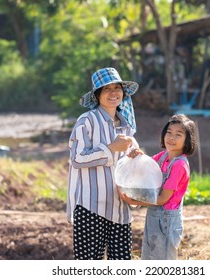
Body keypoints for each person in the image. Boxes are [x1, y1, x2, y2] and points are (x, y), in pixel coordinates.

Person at [66, 67, 139, 260]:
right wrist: (110, 148)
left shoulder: (126, 125)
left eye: (117, 88)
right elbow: (77, 158)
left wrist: (135, 156)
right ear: (97, 95)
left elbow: (129, 160)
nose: (113, 93)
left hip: (120, 206)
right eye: (107, 89)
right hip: (91, 207)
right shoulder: (86, 121)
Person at [119, 114, 197, 260]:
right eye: (169, 132)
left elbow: (162, 199)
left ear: (187, 140)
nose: (171, 138)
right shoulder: (163, 156)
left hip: (167, 221)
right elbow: (145, 165)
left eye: (178, 135)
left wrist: (134, 201)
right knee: (150, 257)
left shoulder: (179, 165)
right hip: (154, 216)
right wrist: (137, 155)